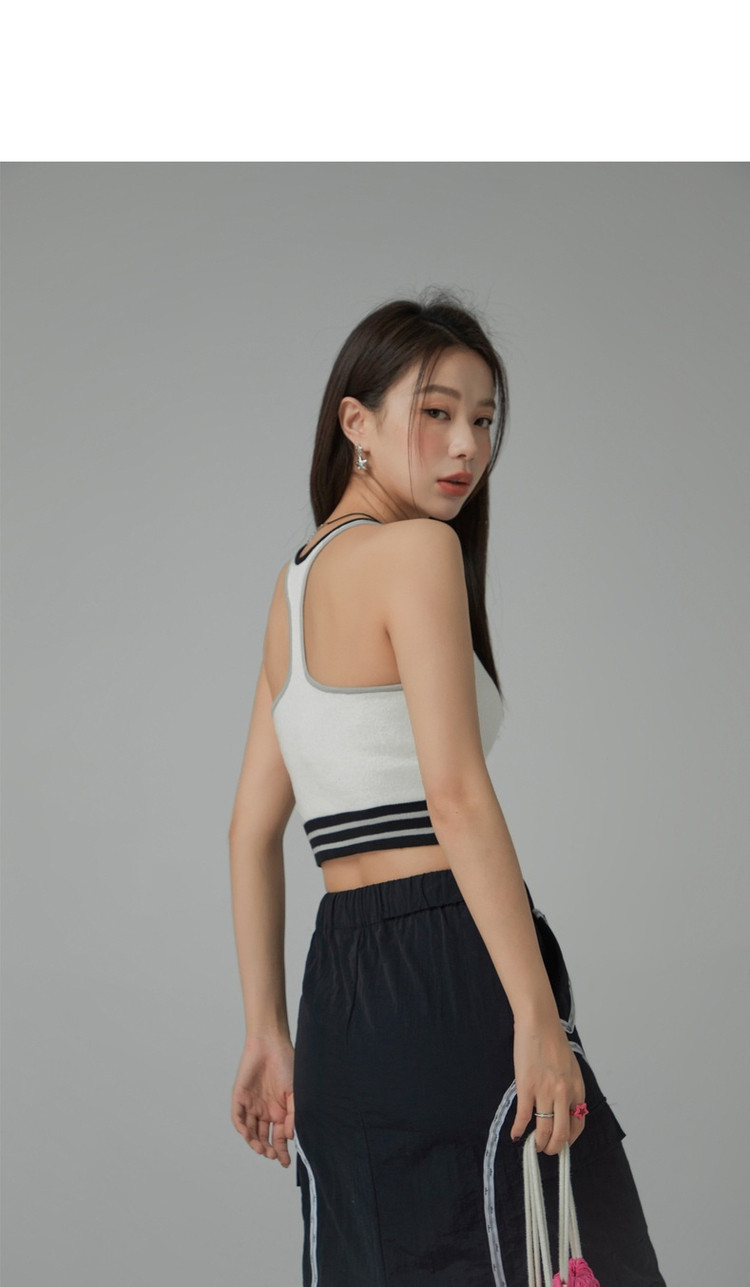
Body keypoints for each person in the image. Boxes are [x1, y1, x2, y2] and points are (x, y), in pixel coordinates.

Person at [228, 291, 666, 1286]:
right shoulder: (418, 552)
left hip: (340, 993)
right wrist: (537, 1018)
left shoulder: (293, 586)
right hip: (451, 962)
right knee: (549, 1247)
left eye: (484, 418)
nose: (467, 444)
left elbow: (250, 830)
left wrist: (266, 1030)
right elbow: (456, 796)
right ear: (356, 422)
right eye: (436, 412)